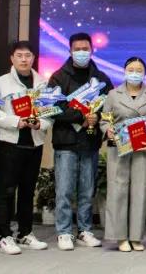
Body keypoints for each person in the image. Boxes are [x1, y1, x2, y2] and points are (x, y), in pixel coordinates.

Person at [47, 32, 113, 250]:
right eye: (77, 49)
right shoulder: (58, 77)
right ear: (70, 51)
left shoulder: (101, 78)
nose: (82, 52)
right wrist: (80, 117)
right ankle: (64, 232)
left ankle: (85, 230)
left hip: (90, 142)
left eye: (85, 49)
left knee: (87, 190)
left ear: (92, 50)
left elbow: (110, 107)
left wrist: (97, 117)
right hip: (65, 142)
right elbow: (53, 108)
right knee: (64, 190)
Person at [0, 40, 52, 255]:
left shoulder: (43, 84)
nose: (24, 59)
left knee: (27, 190)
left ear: (34, 58)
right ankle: (4, 235)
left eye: (28, 55)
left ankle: (25, 233)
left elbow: (50, 111)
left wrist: (40, 123)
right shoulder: (0, 83)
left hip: (34, 142)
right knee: (6, 191)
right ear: (12, 58)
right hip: (10, 143)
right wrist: (16, 121)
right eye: (19, 55)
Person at [101, 57, 146, 251]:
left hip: (142, 148)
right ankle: (120, 237)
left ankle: (136, 237)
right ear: (124, 71)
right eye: (131, 69)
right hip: (118, 148)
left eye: (139, 70)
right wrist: (107, 130)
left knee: (139, 190)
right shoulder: (113, 94)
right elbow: (104, 120)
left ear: (144, 73)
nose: (135, 73)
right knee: (117, 190)